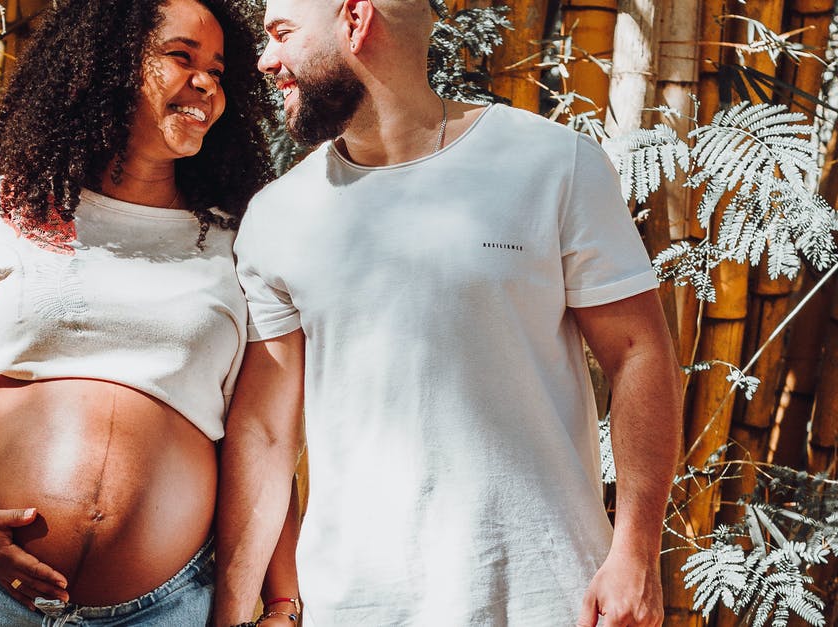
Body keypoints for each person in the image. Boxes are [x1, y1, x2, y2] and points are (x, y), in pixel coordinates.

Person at [212, 1, 683, 626]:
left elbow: (638, 353)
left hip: (550, 597)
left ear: (355, 19)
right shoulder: (277, 216)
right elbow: (265, 434)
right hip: (357, 605)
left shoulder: (552, 164)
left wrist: (636, 555)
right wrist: (243, 611)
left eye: (282, 34)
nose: (267, 60)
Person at [0, 0, 277, 624]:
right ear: (112, 66)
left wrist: (282, 602)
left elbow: (262, 441)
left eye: (219, 70)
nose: (205, 81)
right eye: (181, 57)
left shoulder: (241, 244)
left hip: (162, 608)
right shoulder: (7, 207)